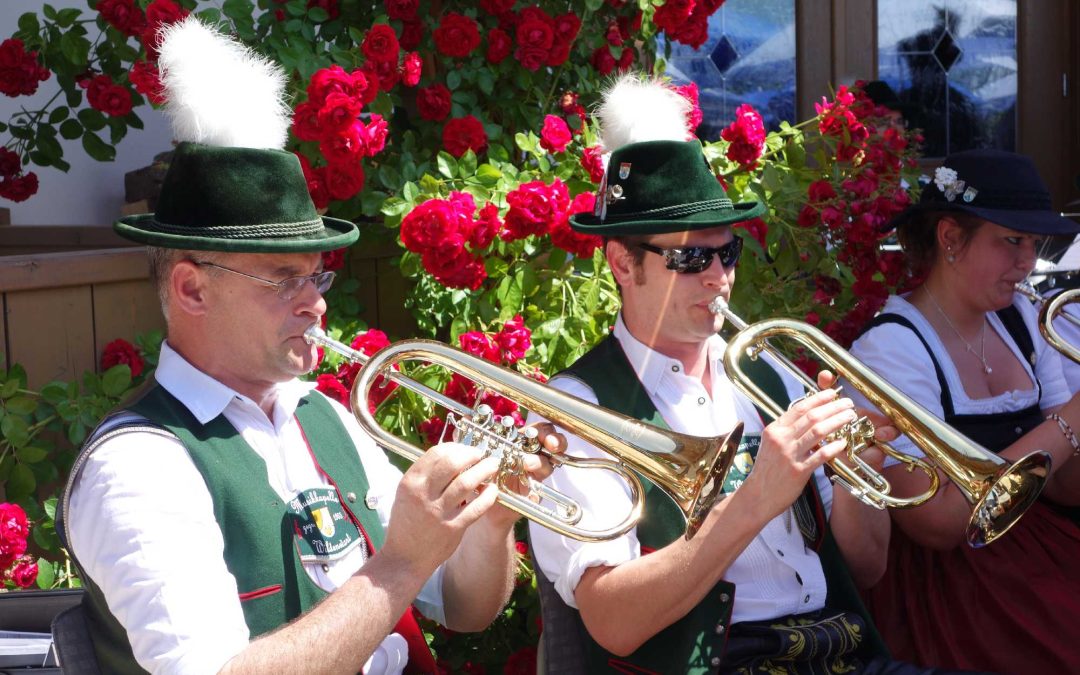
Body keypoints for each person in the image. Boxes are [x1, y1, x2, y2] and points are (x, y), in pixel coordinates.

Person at [57, 18, 563, 675]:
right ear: (192, 289)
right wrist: (403, 560)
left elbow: (465, 608)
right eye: (283, 278)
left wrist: (490, 520)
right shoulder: (139, 466)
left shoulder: (321, 417)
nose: (316, 301)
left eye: (316, 274)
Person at [527, 76, 938, 675]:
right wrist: (753, 500)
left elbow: (866, 567)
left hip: (836, 655)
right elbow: (611, 621)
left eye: (728, 254)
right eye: (692, 258)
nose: (719, 277)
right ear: (623, 263)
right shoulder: (577, 408)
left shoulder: (766, 370)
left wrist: (860, 472)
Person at [848, 149, 1080, 672]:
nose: (1029, 262)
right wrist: (1074, 419)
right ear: (950, 238)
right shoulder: (892, 348)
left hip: (1039, 550)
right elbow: (936, 523)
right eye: (1012, 241)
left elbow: (1064, 486)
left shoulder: (1021, 317)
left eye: (1034, 244)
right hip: (956, 588)